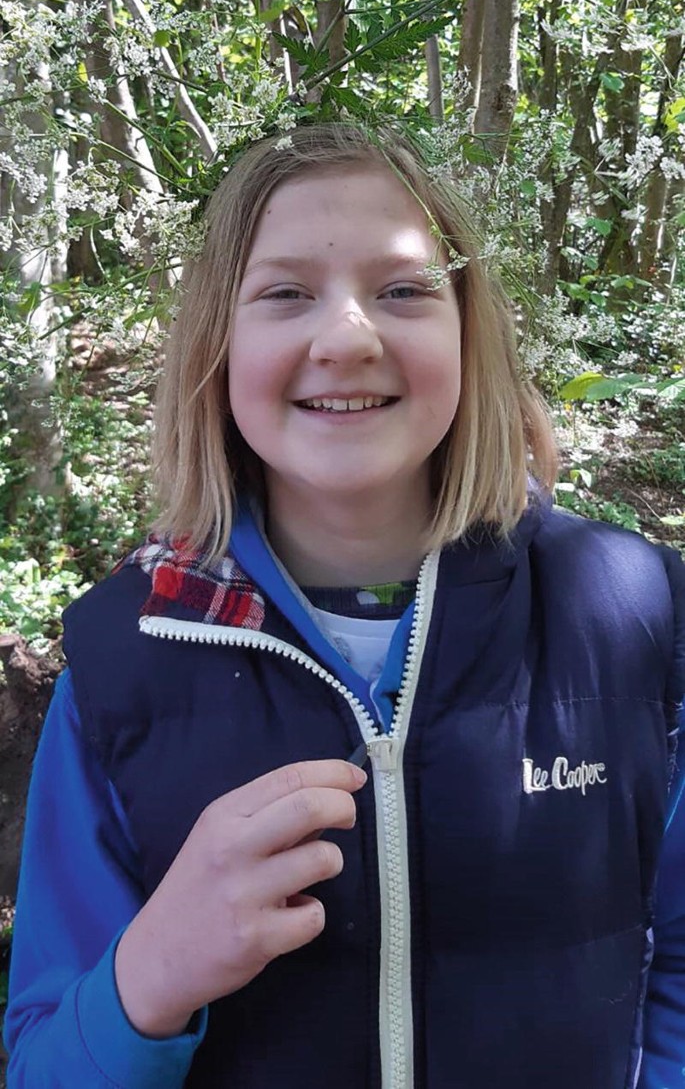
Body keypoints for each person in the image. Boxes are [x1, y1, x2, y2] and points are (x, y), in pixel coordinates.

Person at [4, 120, 685, 1089]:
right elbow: (40, 1063)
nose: (345, 336)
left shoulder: (633, 621)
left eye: (402, 289)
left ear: (468, 327)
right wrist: (148, 975)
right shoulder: (124, 668)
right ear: (218, 346)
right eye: (285, 294)